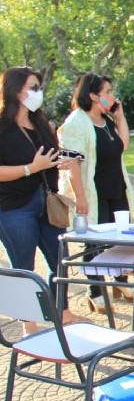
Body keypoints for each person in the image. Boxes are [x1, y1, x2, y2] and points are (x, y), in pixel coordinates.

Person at [0, 66, 81, 334]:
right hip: (13, 207)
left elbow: (50, 156)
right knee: (23, 266)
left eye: (39, 87)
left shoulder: (41, 123)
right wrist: (29, 169)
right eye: (33, 87)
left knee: (60, 258)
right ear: (15, 90)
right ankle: (29, 324)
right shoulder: (2, 125)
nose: (38, 93)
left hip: (47, 201)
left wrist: (63, 160)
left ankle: (62, 312)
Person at [60, 73, 134, 315]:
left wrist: (120, 116)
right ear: (93, 95)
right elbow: (72, 164)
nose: (112, 97)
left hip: (116, 189)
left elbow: (123, 145)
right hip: (94, 192)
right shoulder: (76, 123)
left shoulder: (106, 120)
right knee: (94, 244)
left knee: (120, 239)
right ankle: (95, 291)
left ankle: (121, 281)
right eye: (107, 92)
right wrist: (79, 198)